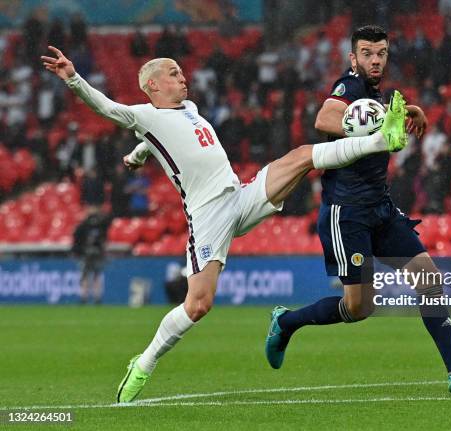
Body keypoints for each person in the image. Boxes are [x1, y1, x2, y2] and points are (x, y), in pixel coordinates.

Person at [41, 45, 408, 403]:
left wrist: (139, 152)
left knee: (301, 157)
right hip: (207, 217)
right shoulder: (145, 116)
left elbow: (160, 139)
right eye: (172, 74)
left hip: (239, 197)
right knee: (199, 304)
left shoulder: (189, 108)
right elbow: (106, 108)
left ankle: (380, 139)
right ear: (152, 85)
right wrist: (73, 78)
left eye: (181, 72)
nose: (182, 78)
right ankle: (145, 361)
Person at [264, 25, 451, 396]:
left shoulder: (376, 94)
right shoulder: (349, 86)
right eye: (366, 53)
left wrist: (410, 110)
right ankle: (287, 321)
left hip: (380, 208)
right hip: (347, 214)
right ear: (353, 58)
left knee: (430, 280)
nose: (374, 60)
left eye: (381, 53)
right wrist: (375, 122)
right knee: (359, 307)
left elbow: (376, 115)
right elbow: (325, 118)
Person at [72, 206, 111, 304]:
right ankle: (91, 298)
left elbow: (76, 241)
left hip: (89, 254)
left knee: (89, 276)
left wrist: (77, 252)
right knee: (92, 276)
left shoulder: (84, 226)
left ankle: (86, 298)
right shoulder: (99, 225)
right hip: (90, 254)